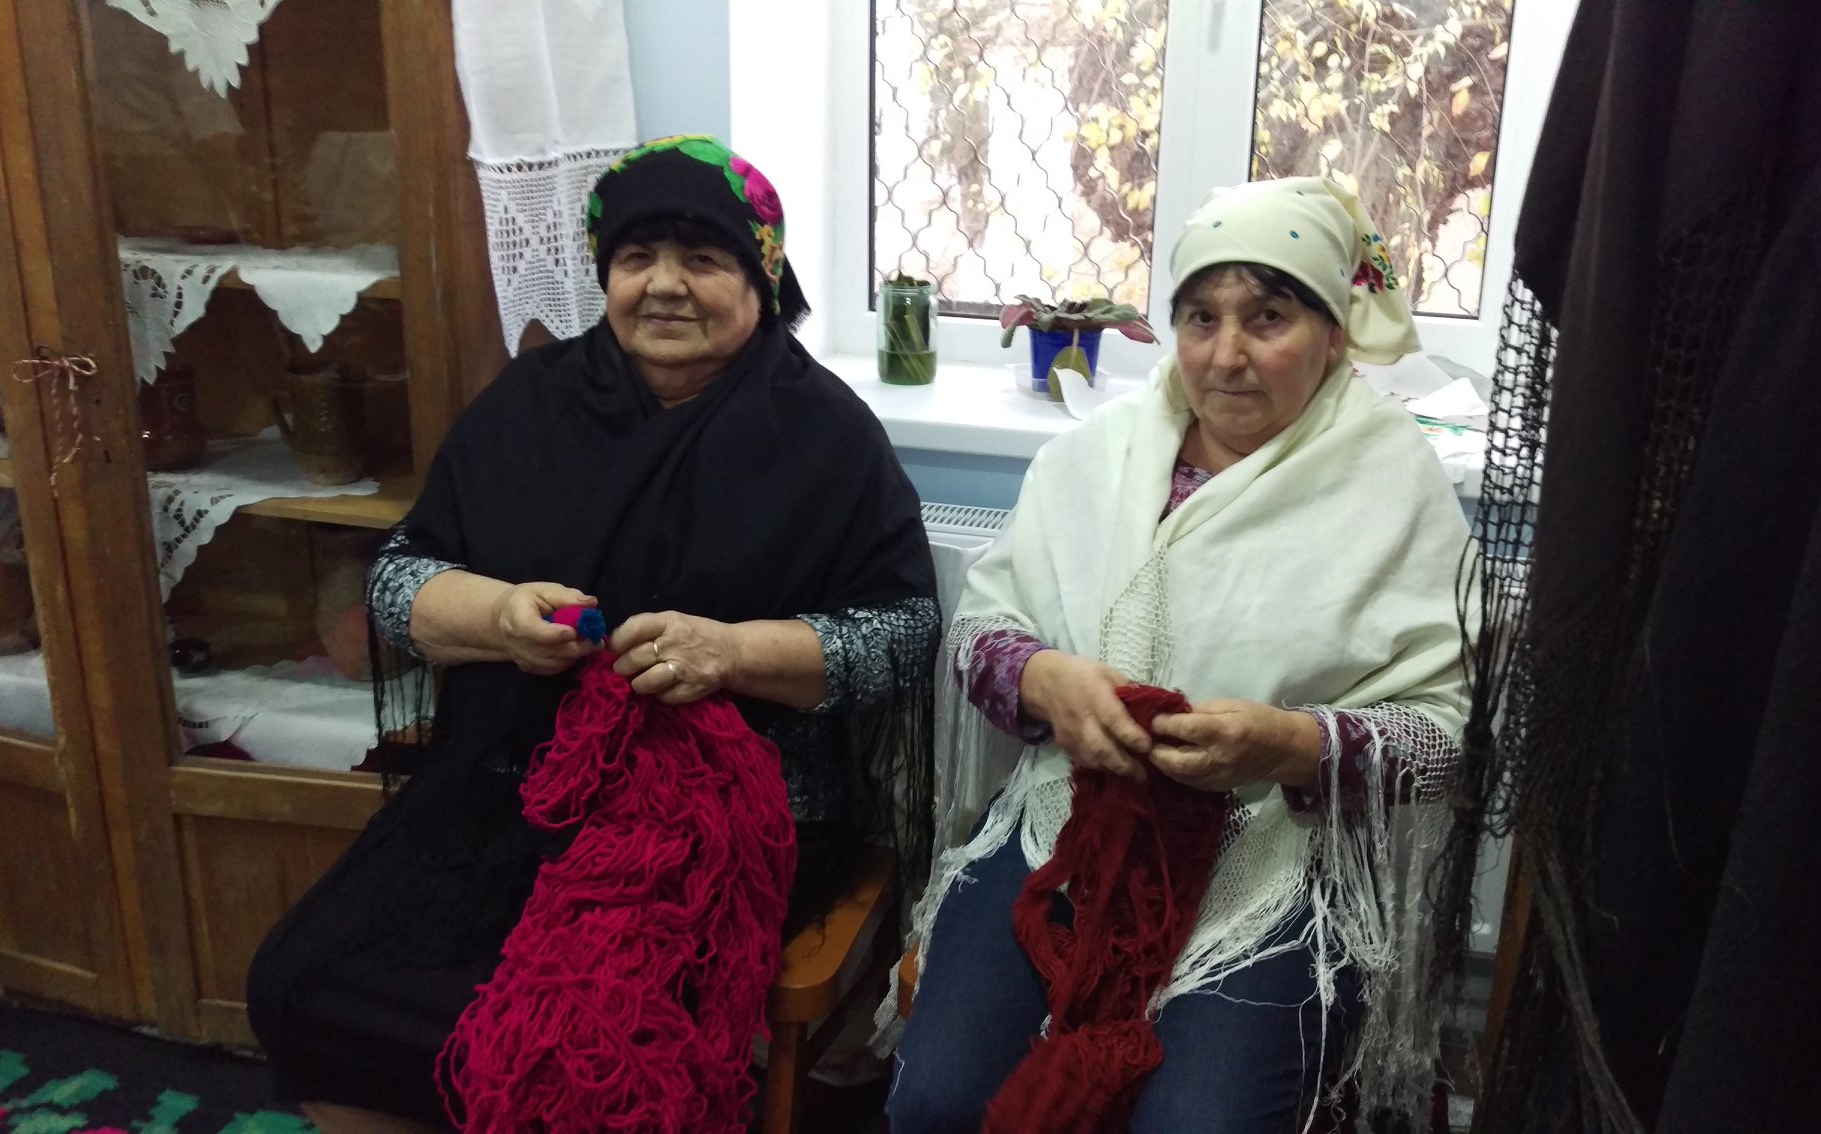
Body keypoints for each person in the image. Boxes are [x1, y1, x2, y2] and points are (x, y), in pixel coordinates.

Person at [246, 136, 938, 1134]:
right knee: (307, 987)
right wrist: (499, 620)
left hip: (725, 817)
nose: (665, 284)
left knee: (580, 1042)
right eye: (636, 256)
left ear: (762, 276)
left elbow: (903, 633)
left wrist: (730, 654)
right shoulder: (528, 406)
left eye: (703, 258)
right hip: (508, 786)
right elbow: (400, 579)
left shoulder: (824, 437)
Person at [883, 177, 1472, 1133]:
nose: (1226, 355)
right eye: (1201, 317)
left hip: (1274, 860)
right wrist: (1045, 680)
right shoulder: (1094, 457)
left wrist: (1289, 743)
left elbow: (1444, 736)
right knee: (940, 1105)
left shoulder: (1390, 483)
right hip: (1067, 829)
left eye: (1268, 317)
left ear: (1332, 335)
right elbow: (982, 629)